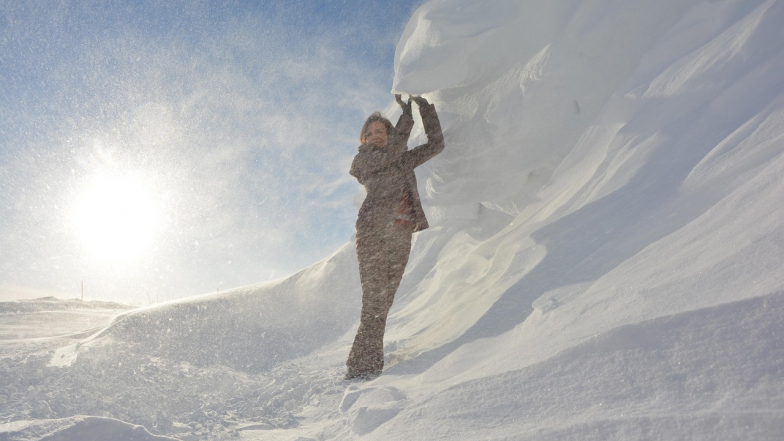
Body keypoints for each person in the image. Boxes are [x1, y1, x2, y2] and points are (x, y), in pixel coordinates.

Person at [345, 94, 445, 380]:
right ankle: (361, 367)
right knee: (374, 302)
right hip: (374, 233)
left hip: (401, 234)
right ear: (364, 140)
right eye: (370, 133)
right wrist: (406, 116)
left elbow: (436, 145)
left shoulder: (401, 159)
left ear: (389, 134)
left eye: (381, 131)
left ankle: (364, 362)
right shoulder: (363, 161)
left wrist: (424, 108)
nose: (376, 136)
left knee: (384, 302)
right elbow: (390, 152)